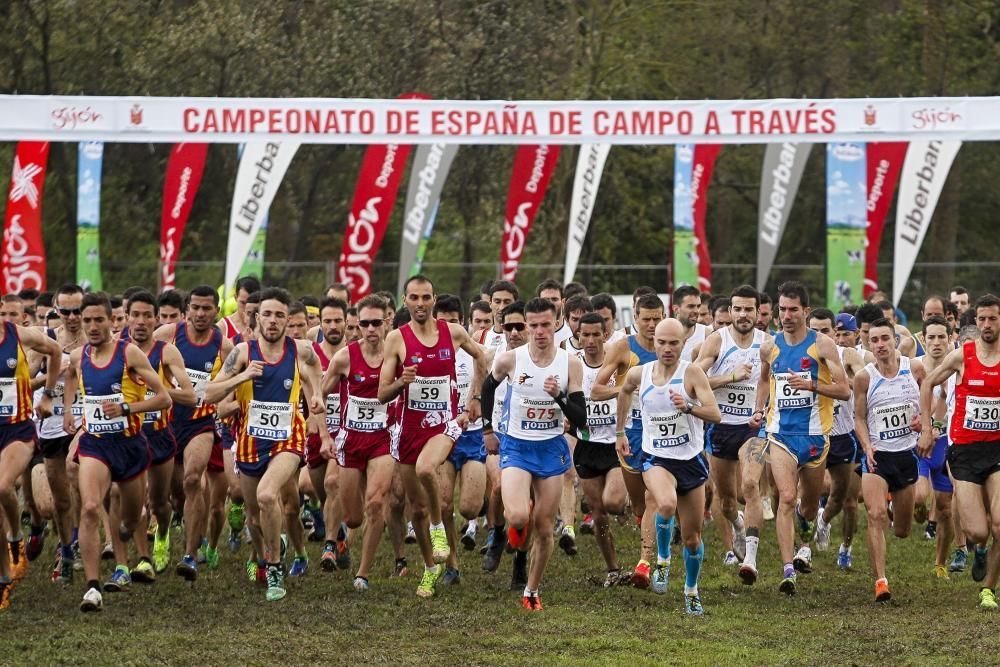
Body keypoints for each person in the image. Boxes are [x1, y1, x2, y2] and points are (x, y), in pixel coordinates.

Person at [204, 287, 323, 601]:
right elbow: (211, 394)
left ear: (287, 320)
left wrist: (317, 395)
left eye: (279, 315)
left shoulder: (300, 349)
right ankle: (265, 552)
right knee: (254, 517)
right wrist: (240, 379)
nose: (272, 321)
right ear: (256, 318)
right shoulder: (243, 353)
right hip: (249, 441)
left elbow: (315, 366)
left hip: (288, 437)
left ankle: (274, 566)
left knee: (268, 495)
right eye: (267, 314)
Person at [378, 275, 486, 598]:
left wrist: (476, 398)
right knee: (417, 508)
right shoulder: (397, 339)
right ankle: (430, 568)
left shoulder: (453, 333)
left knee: (427, 469)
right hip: (409, 428)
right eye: (414, 298)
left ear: (434, 299)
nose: (421, 303)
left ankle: (440, 528)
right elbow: (383, 392)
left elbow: (482, 357)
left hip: (444, 423)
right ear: (406, 300)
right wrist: (402, 381)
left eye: (426, 297)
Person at [63, 292, 173, 612]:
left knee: (131, 517)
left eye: (100, 320)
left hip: (130, 445)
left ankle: (127, 531)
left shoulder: (130, 354)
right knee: (90, 507)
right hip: (95, 443)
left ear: (113, 321)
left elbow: (164, 398)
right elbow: (71, 375)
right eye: (87, 321)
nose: (93, 326)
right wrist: (70, 410)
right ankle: (93, 587)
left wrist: (127, 407)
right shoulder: (79, 355)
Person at [481, 297, 586, 610]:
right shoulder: (510, 360)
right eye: (533, 325)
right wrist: (488, 430)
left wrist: (559, 398)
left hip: (551, 448)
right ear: (526, 326)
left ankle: (531, 591)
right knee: (517, 516)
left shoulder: (570, 364)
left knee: (543, 527)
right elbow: (487, 389)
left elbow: (580, 418)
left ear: (557, 323)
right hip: (516, 444)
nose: (540, 331)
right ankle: (512, 524)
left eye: (545, 324)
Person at [746, 281, 849, 594]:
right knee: (787, 497)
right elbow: (764, 380)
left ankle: (808, 533)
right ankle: (787, 568)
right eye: (782, 309)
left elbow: (844, 390)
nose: (787, 315)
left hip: (816, 436)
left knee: (807, 506)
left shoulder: (823, 346)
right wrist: (759, 408)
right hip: (780, 435)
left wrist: (814, 386)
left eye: (793, 309)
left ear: (806, 311)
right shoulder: (769, 346)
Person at [617, 318, 722, 615]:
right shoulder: (641, 373)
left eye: (673, 343)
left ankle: (691, 589)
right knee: (664, 503)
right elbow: (624, 391)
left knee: (692, 538)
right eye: (661, 342)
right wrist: (620, 432)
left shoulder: (692, 374)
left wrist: (688, 407)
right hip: (656, 458)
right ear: (654, 342)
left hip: (690, 461)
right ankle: (661, 559)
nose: (667, 348)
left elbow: (715, 414)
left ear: (683, 344)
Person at [918, 293, 1000, 610]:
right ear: (975, 322)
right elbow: (927, 385)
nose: (987, 324)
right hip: (964, 452)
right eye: (981, 319)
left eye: (993, 318)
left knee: (999, 525)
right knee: (978, 531)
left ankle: (988, 589)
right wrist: (927, 429)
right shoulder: (962, 356)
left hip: (996, 450)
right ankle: (978, 549)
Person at [154, 285, 234, 581]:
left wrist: (226, 405)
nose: (201, 314)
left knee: (192, 480)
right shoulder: (166, 336)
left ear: (216, 312)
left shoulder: (224, 347)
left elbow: (231, 385)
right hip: (167, 422)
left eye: (207, 308)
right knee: (170, 497)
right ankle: (162, 532)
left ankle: (190, 554)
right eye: (196, 308)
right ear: (187, 308)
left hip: (200, 424)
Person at [321, 294, 395, 590]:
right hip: (351, 440)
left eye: (377, 322)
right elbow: (320, 394)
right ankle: (342, 538)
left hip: (384, 438)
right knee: (352, 518)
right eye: (365, 323)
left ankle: (362, 573)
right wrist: (324, 433)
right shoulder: (345, 357)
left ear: (387, 322)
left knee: (376, 503)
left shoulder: (397, 354)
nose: (371, 329)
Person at [592, 292, 665, 590]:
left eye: (656, 319)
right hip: (632, 434)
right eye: (645, 319)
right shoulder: (624, 348)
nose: (651, 325)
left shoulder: (672, 346)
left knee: (653, 498)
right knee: (638, 505)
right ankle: (653, 535)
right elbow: (596, 390)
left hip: (662, 434)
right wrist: (627, 389)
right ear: (634, 319)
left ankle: (646, 562)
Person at [123, 291, 196, 575]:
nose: (141, 322)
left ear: (156, 319)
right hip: (127, 437)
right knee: (135, 502)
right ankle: (142, 558)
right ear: (126, 317)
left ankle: (163, 534)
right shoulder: (118, 351)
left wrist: (159, 394)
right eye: (135, 315)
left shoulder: (166, 351)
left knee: (159, 504)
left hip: (159, 435)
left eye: (146, 316)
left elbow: (190, 395)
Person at [854, 318, 925, 602]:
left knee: (903, 531)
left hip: (907, 455)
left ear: (895, 340)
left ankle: (897, 504)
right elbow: (859, 418)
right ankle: (881, 581)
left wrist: (925, 422)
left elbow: (930, 403)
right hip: (878, 456)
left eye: (885, 339)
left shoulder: (914, 369)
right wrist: (867, 445)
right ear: (868, 344)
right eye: (874, 340)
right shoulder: (864, 377)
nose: (880, 345)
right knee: (874, 515)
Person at [695, 285, 765, 566]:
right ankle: (737, 525)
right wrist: (729, 377)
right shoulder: (716, 341)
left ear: (758, 312)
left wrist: (761, 410)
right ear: (730, 311)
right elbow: (693, 380)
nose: (743, 314)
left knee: (750, 485)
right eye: (738, 309)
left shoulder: (768, 344)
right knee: (727, 501)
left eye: (749, 309)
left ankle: (750, 558)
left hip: (754, 427)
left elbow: (770, 382)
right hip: (720, 426)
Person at [0, 299, 60, 607]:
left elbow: (56, 351)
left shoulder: (20, 336)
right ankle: (4, 576)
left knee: (2, 486)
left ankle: (15, 539)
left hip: (17, 430)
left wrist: (48, 394)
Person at [432, 294, 488, 585]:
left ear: (462, 323)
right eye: (442, 322)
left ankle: (491, 517)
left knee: (469, 507)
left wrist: (475, 398)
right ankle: (452, 565)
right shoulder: (427, 351)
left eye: (454, 322)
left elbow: (485, 362)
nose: (449, 327)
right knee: (442, 504)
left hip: (471, 435)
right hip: (441, 436)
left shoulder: (471, 349)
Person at [573, 312, 627, 585]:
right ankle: (613, 568)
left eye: (597, 334)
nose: (591, 340)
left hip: (615, 445)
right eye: (586, 335)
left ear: (606, 335)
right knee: (599, 514)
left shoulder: (617, 363)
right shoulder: (573, 367)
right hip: (587, 445)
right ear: (578, 336)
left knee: (614, 502)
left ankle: (629, 505)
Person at [811, 312, 865, 570]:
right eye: (814, 330)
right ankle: (803, 550)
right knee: (810, 492)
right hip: (812, 434)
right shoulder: (798, 354)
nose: (820, 335)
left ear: (835, 332)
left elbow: (867, 380)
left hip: (844, 435)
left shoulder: (847, 356)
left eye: (825, 330)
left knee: (849, 500)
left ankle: (845, 546)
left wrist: (844, 383)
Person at [911, 315, 959, 578]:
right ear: (923, 339)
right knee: (919, 498)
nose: (937, 342)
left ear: (951, 338)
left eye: (943, 336)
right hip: (919, 444)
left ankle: (940, 562)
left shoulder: (958, 367)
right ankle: (914, 507)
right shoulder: (914, 367)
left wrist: (939, 427)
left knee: (945, 509)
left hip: (945, 445)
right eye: (932, 337)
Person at [305, 297, 349, 571]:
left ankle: (330, 546)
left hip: (345, 433)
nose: (333, 326)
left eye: (338, 320)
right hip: (317, 433)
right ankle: (340, 533)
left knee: (333, 484)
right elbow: (314, 399)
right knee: (323, 494)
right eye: (328, 321)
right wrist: (322, 436)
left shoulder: (353, 353)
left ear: (346, 322)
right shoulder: (311, 356)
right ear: (320, 323)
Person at [476, 280, 518, 348]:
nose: (501, 307)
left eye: (507, 302)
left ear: (516, 304)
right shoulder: (479, 337)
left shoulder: (524, 337)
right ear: (490, 304)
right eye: (497, 302)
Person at [672, 285, 710, 362]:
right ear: (676, 309)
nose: (696, 311)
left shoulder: (707, 334)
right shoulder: (664, 333)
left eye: (698, 306)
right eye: (691, 306)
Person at [220, 276, 262, 340]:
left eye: (251, 303)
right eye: (243, 303)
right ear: (235, 298)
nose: (246, 309)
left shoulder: (266, 326)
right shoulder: (223, 327)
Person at [536, 279, 572, 346]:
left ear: (563, 302)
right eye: (545, 300)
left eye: (554, 299)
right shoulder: (532, 333)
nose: (550, 303)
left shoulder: (572, 332)